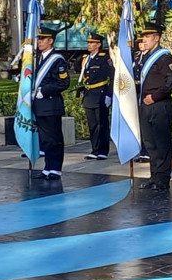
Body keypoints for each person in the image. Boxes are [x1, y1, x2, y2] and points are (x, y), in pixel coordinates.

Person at [137, 22, 172, 191]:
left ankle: (162, 179)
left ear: (157, 38)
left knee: (162, 144)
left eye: (147, 37)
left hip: (159, 105)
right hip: (146, 106)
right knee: (150, 143)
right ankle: (154, 176)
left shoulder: (164, 58)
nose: (144, 40)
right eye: (143, 37)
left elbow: (171, 82)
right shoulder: (145, 57)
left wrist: (154, 97)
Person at [31, 27, 71, 180]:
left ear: (51, 41)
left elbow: (63, 82)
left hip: (50, 104)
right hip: (39, 106)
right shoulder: (37, 58)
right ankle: (48, 167)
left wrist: (44, 91)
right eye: (38, 39)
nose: (39, 41)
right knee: (45, 139)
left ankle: (55, 169)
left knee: (54, 139)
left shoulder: (57, 59)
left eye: (43, 39)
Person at [78, 32, 114, 160]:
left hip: (100, 94)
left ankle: (103, 150)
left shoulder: (104, 58)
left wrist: (109, 95)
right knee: (92, 124)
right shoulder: (86, 58)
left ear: (98, 45)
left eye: (92, 43)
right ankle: (95, 149)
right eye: (88, 42)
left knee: (102, 124)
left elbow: (112, 76)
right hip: (89, 95)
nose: (89, 45)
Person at [132, 35, 151, 164]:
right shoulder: (137, 57)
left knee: (147, 123)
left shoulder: (150, 56)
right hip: (136, 90)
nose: (141, 45)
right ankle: (142, 150)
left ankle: (148, 151)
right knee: (139, 123)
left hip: (146, 91)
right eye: (139, 42)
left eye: (143, 42)